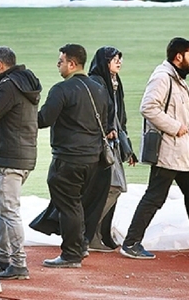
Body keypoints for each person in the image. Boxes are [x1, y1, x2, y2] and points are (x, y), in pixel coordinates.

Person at [120, 38, 189, 261]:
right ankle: (131, 243)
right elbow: (148, 107)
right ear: (179, 56)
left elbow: (177, 114)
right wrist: (176, 127)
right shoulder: (163, 77)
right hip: (169, 152)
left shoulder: (177, 79)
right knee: (155, 197)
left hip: (182, 154)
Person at [33, 44, 108, 269]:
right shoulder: (99, 88)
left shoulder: (61, 89)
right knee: (78, 204)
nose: (58, 66)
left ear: (72, 63)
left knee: (69, 205)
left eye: (60, 62)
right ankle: (80, 245)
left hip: (68, 158)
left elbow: (43, 119)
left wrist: (20, 115)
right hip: (94, 158)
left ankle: (71, 253)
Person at [0, 46, 42, 281]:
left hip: (12, 156)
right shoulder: (25, 82)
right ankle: (4, 257)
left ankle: (18, 263)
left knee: (8, 209)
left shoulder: (8, 85)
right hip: (23, 153)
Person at [85, 47, 136, 253]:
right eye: (114, 59)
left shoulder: (114, 82)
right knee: (113, 187)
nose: (119, 62)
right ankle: (89, 232)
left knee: (111, 188)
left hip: (113, 144)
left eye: (119, 58)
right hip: (102, 145)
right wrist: (107, 129)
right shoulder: (97, 82)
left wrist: (127, 147)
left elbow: (119, 119)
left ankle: (98, 234)